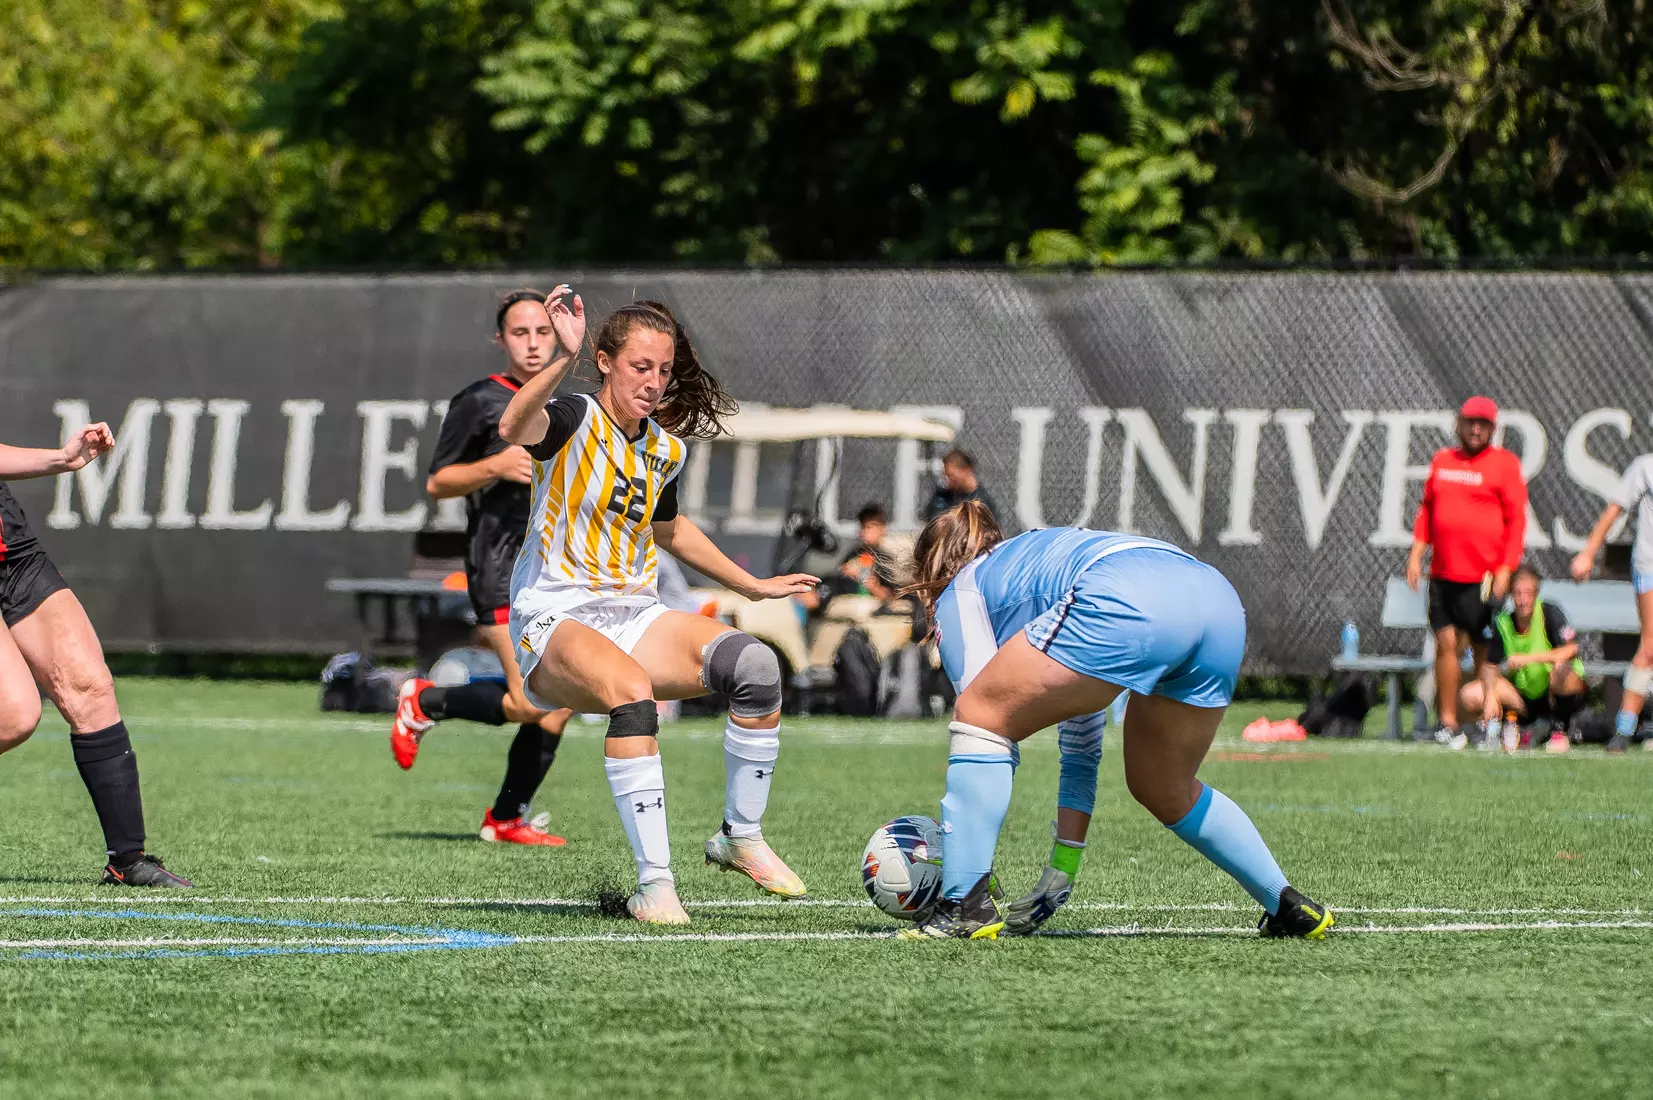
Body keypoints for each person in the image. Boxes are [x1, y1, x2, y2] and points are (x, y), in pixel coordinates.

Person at [498, 292, 818, 925]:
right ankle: (655, 883)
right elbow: (513, 427)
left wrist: (750, 587)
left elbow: (668, 530)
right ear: (606, 362)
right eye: (640, 367)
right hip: (554, 616)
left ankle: (739, 834)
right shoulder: (571, 418)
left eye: (664, 370)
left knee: (755, 666)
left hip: (633, 614)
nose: (653, 381)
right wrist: (561, 359)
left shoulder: (665, 450)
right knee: (633, 692)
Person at [903, 502, 1331, 940]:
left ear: (926, 582)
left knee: (978, 717)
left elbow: (981, 724)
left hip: (1128, 596)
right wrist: (1062, 867)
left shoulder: (961, 589)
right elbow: (1082, 737)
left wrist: (968, 865)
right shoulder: (1032, 569)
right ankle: (1288, 905)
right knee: (1164, 787)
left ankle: (965, 906)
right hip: (1217, 601)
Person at [389, 288, 576, 847]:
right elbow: (438, 481)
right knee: (527, 701)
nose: (534, 343)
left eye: (544, 331)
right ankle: (425, 699)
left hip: (554, 569)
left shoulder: (572, 402)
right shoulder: (480, 400)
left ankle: (506, 818)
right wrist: (494, 464)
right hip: (498, 560)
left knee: (558, 704)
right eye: (521, 333)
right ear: (501, 340)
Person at [0, 427, 192, 886]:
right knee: (14, 713)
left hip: (13, 551)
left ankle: (128, 860)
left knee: (90, 687)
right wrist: (60, 459)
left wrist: (63, 458)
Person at [1405, 396, 1527, 747]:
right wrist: (1416, 554)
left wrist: (1505, 569)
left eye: (1483, 423)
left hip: (1483, 577)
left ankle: (1488, 723)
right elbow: (1427, 510)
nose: (1476, 429)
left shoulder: (1504, 465)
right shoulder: (1443, 461)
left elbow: (1516, 521)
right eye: (1470, 422)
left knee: (1484, 649)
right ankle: (1448, 723)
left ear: (1493, 428)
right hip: (1444, 574)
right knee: (1445, 643)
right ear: (1459, 423)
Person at [1570, 450, 1653, 753]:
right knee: (1650, 646)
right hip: (1650, 567)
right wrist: (1589, 552)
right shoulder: (1645, 466)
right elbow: (1614, 510)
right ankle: (1624, 729)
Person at [1461, 564, 1586, 754]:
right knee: (1470, 694)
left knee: (1562, 670)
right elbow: (1490, 665)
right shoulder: (1504, 622)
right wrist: (1490, 696)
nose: (1522, 600)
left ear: (1536, 594)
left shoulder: (1549, 613)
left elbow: (1571, 649)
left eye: (1527, 594)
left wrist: (1528, 659)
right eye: (1518, 594)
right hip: (1524, 695)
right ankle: (1506, 728)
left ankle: (1560, 729)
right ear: (1511, 595)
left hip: (1552, 691)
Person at [923, 449, 999, 522]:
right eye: (946, 475)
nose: (948, 480)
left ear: (967, 470)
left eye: (952, 476)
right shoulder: (941, 497)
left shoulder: (981, 502)